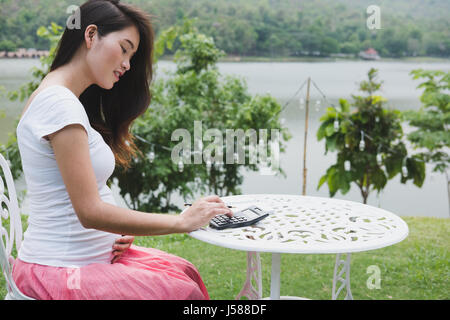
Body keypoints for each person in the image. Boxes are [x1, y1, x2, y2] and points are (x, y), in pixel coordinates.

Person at [12, 0, 233, 300]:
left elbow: (79, 197)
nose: (128, 65)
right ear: (90, 36)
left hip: (87, 259)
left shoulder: (63, 99)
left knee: (184, 272)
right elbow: (89, 212)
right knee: (183, 293)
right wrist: (181, 222)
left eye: (132, 55)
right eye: (125, 48)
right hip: (60, 269)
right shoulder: (58, 104)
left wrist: (113, 231)